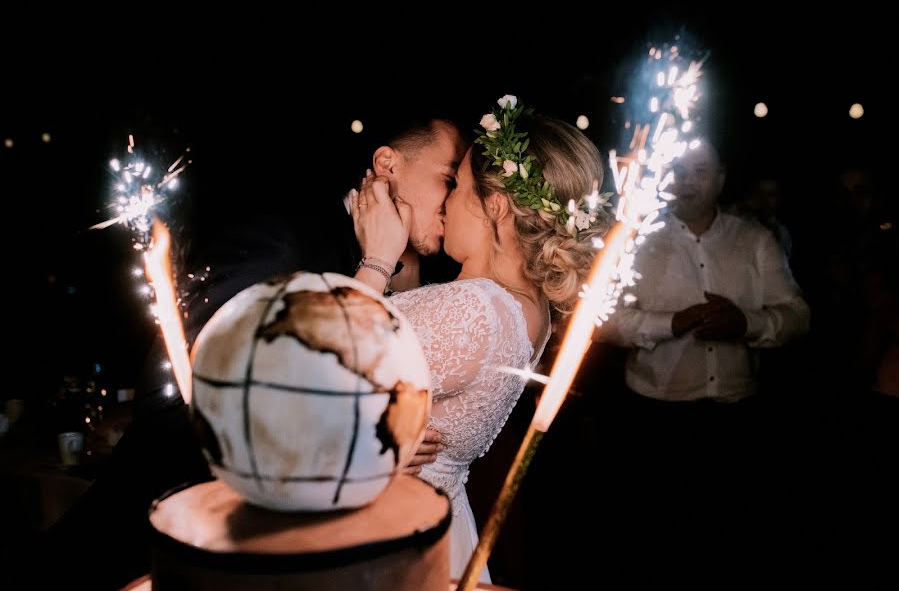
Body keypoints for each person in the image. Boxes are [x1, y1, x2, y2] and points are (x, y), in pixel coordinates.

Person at [17, 111, 467, 590]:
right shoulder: (280, 240)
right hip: (151, 552)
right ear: (387, 164)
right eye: (447, 179)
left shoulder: (421, 277)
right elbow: (177, 401)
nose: (454, 200)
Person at [350, 95, 613, 581]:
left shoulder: (480, 309)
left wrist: (376, 260)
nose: (446, 203)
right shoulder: (525, 309)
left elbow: (327, 365)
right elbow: (411, 347)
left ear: (493, 204)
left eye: (457, 186)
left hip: (391, 535)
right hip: (434, 522)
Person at [597, 138, 810, 583]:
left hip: (738, 422)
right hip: (654, 420)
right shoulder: (637, 238)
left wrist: (745, 323)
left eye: (700, 170)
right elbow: (604, 321)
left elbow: (798, 317)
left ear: (722, 178)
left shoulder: (754, 239)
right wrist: (670, 323)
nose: (688, 181)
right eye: (678, 168)